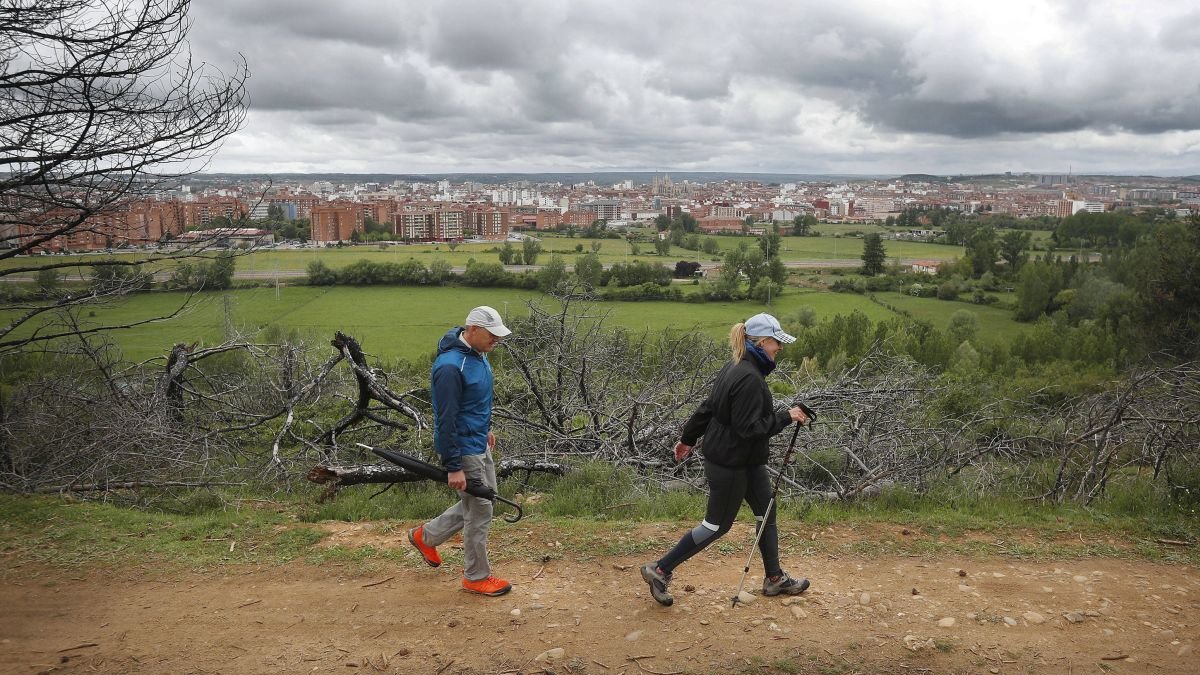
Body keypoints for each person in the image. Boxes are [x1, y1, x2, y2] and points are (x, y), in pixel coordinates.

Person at [640, 313, 811, 606]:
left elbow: (709, 407)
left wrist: (688, 439)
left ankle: (774, 579)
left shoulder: (736, 366)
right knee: (716, 526)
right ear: (761, 341)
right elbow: (748, 429)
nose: (779, 348)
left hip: (746, 460)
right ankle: (659, 569)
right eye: (777, 343)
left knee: (766, 511)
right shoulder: (749, 378)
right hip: (730, 463)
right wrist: (786, 416)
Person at [408, 305, 513, 597]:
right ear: (474, 330)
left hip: (478, 440)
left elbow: (474, 402)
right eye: (492, 335)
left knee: (482, 501)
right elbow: (446, 419)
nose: (497, 341)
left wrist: (485, 427)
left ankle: (425, 536)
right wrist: (453, 465)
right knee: (479, 510)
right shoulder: (450, 367)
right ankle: (476, 577)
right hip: (463, 449)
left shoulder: (478, 355)